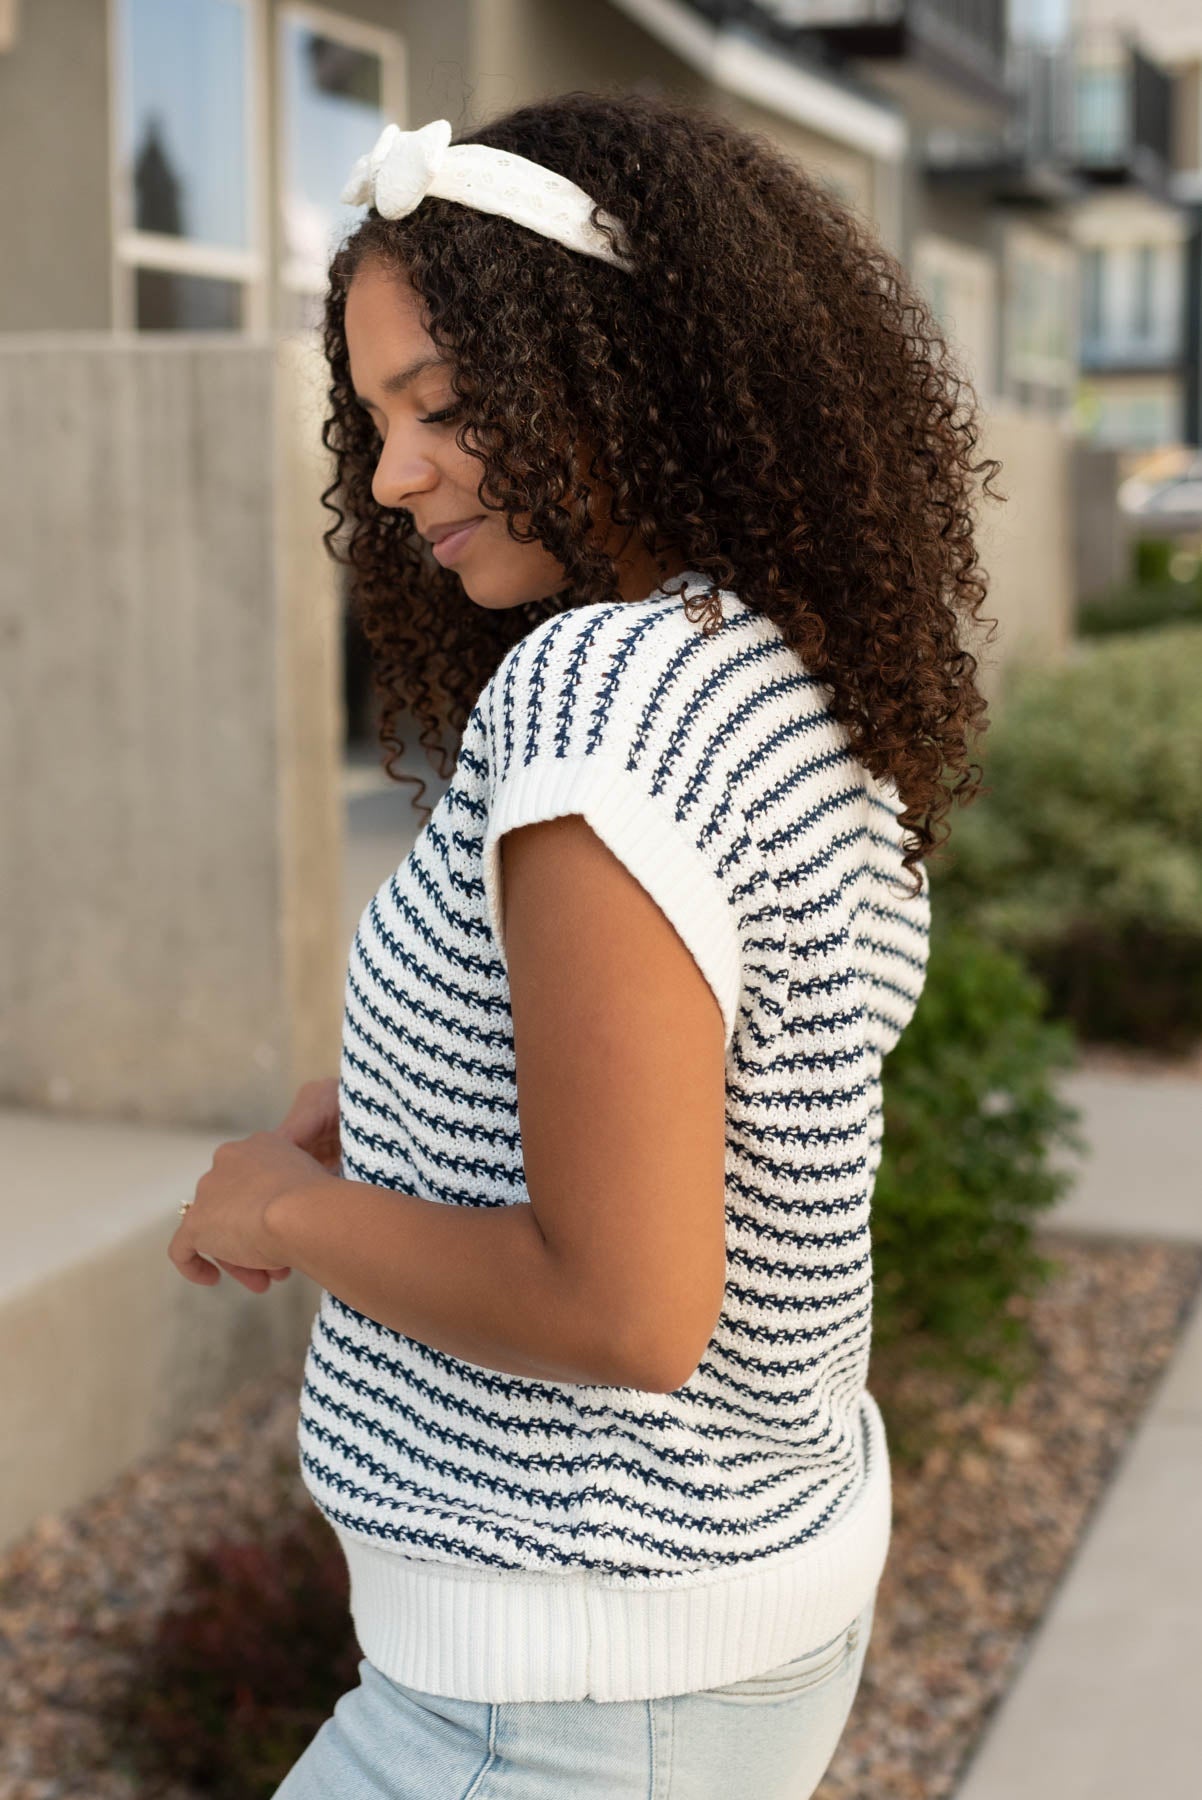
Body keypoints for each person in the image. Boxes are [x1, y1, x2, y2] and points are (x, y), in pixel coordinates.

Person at [168, 90, 995, 1799]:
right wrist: (396, 1111)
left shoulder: (598, 699)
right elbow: (734, 1087)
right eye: (371, 417)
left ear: (609, 370)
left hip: (545, 1712)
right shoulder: (771, 666)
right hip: (707, 1633)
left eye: (443, 408)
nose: (390, 477)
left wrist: (285, 1210)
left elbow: (624, 1308)